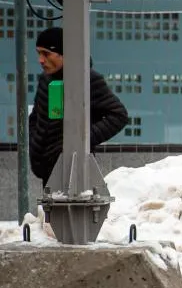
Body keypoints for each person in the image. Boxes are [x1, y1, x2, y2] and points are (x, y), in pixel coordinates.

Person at [29, 27, 129, 186]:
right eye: (39, 53)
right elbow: (35, 117)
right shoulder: (45, 80)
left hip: (75, 171)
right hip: (47, 170)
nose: (41, 60)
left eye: (47, 54)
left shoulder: (88, 80)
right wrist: (35, 145)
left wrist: (82, 141)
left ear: (63, 54)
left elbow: (119, 115)